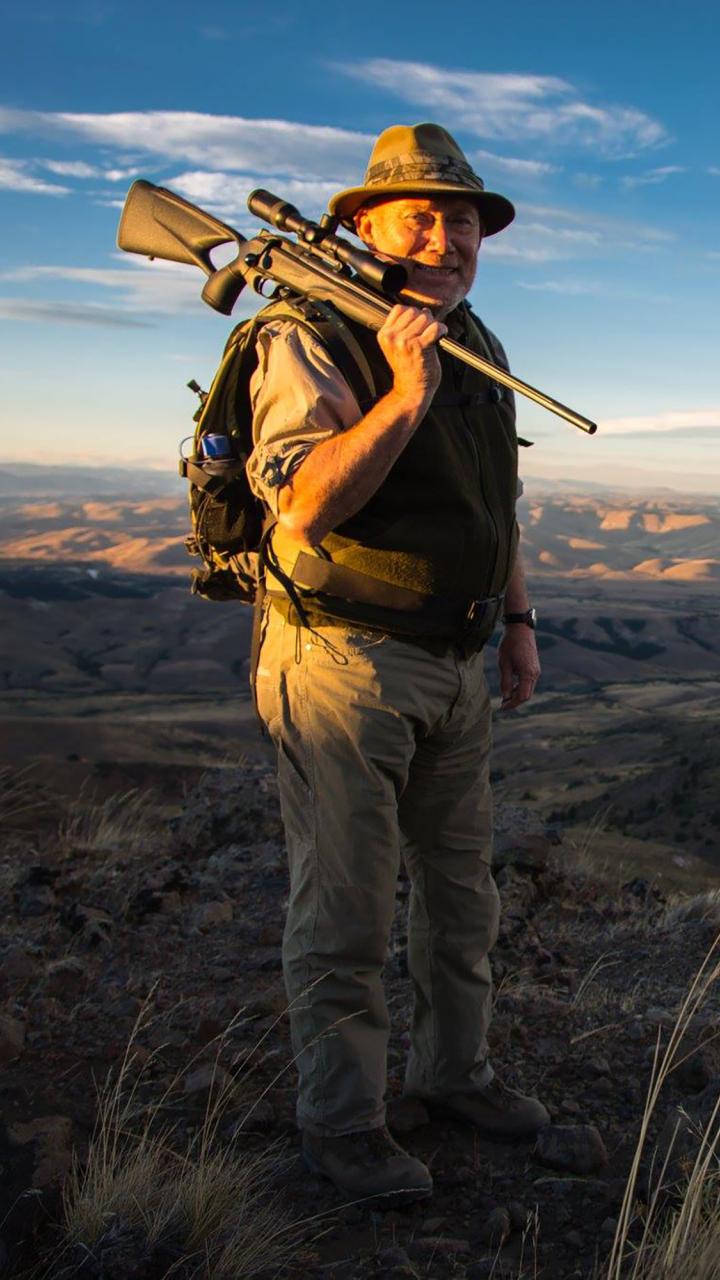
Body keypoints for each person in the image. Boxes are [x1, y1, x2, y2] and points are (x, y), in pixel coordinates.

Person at [247, 122, 548, 1203]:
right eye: (416, 215)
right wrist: (404, 389)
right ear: (363, 227)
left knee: (462, 896)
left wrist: (516, 619)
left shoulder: (478, 339)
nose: (444, 235)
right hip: (344, 659)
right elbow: (302, 499)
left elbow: (496, 498)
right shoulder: (310, 331)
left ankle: (454, 1074)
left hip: (459, 654)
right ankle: (343, 1123)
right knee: (350, 906)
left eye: (460, 217)